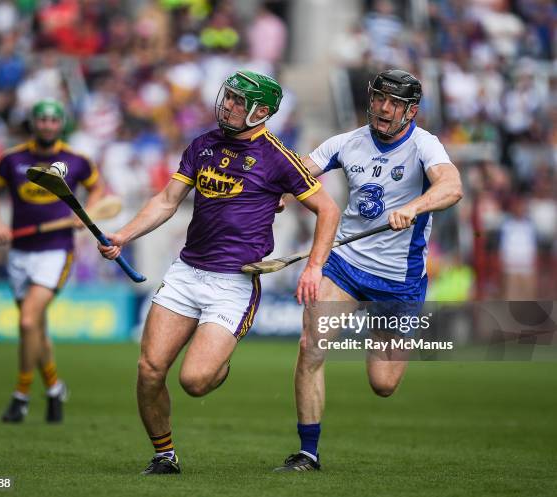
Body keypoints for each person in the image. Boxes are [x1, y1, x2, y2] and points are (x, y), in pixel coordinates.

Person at [98, 70, 340, 475]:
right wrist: (123, 234)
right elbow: (167, 200)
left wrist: (314, 267)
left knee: (195, 381)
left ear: (261, 112)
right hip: (187, 273)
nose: (227, 105)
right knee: (149, 370)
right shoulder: (202, 145)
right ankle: (164, 456)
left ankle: (218, 363)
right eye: (227, 97)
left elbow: (328, 210)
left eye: (237, 102)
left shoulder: (278, 156)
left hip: (233, 284)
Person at [274, 69, 463, 471]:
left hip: (399, 281)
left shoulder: (425, 145)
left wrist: (415, 206)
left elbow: (452, 187)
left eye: (394, 103)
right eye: (379, 98)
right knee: (311, 346)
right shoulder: (347, 142)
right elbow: (301, 172)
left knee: (383, 384)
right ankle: (308, 452)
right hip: (346, 265)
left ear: (411, 111)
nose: (383, 108)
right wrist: (279, 195)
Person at [0, 99, 104, 423]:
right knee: (36, 329)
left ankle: (20, 396)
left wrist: (84, 214)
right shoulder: (12, 159)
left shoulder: (77, 160)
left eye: (53, 120)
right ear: (33, 123)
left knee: (27, 322)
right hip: (20, 251)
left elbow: (99, 190)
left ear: (61, 124)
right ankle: (54, 388)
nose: (47, 125)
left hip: (56, 251)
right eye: (42, 119)